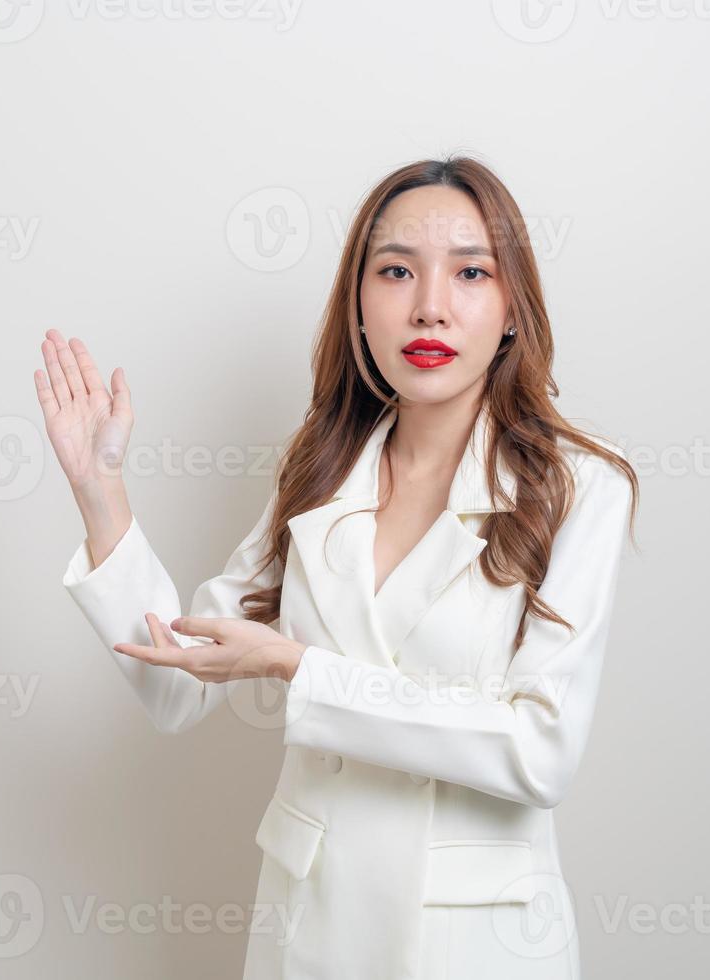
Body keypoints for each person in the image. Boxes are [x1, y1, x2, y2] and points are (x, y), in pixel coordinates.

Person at [34, 156, 639, 980]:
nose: (430, 305)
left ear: (510, 310)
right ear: (358, 307)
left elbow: (539, 753)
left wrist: (304, 672)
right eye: (395, 271)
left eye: (470, 271)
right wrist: (100, 492)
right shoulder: (321, 469)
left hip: (475, 947)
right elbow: (178, 684)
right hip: (311, 935)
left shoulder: (577, 487)